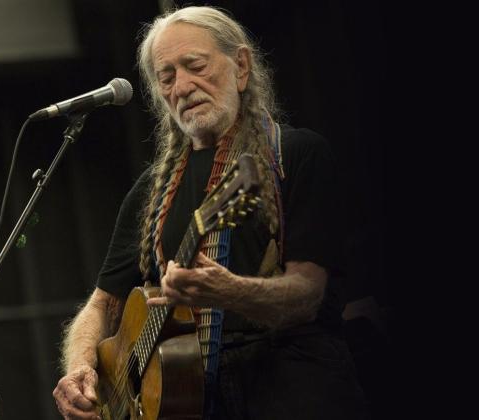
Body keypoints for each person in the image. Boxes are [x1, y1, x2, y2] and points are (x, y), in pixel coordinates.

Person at [52, 6, 367, 420]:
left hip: (295, 386)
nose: (182, 86)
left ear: (241, 66)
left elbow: (308, 294)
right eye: (166, 77)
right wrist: (80, 367)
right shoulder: (150, 192)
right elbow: (100, 307)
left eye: (195, 66)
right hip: (191, 399)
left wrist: (228, 291)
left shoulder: (293, 156)